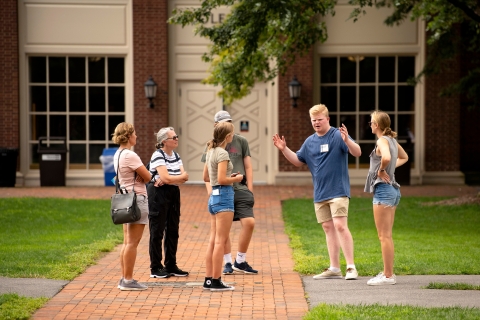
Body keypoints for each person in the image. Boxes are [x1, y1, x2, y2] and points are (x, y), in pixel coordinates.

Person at [272, 104, 361, 280]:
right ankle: (334, 268)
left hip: (338, 190)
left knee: (340, 226)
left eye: (320, 119)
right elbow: (298, 161)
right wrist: (284, 149)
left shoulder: (337, 135)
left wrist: (347, 140)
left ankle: (351, 267)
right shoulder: (310, 141)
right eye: (314, 120)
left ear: (327, 119)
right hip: (320, 193)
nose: (317, 123)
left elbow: (357, 152)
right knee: (328, 228)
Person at [201, 110, 257, 275]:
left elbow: (248, 167)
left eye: (229, 122)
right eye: (224, 123)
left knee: (247, 224)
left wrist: (249, 189)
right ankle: (222, 268)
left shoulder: (240, 141)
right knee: (220, 236)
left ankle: (237, 262)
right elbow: (211, 177)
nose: (229, 126)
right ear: (216, 126)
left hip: (239, 191)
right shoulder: (214, 148)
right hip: (224, 192)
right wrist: (214, 191)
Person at [364, 111, 408, 286]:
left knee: (384, 236)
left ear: (377, 125)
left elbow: (388, 157)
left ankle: (388, 276)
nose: (370, 125)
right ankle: (388, 273)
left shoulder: (382, 140)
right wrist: (389, 169)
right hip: (393, 191)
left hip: (384, 190)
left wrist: (382, 170)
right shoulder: (392, 140)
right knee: (387, 235)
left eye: (371, 122)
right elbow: (404, 157)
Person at [203, 121, 244, 291]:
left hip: (213, 198)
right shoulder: (222, 153)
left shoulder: (210, 151)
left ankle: (208, 280)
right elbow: (221, 180)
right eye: (232, 134)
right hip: (224, 197)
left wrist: (228, 175)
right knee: (220, 241)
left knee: (213, 241)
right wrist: (236, 178)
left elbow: (206, 177)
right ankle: (216, 280)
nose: (233, 136)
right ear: (228, 137)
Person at [112, 122, 152, 291]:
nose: (137, 136)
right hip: (137, 200)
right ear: (128, 136)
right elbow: (148, 176)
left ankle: (124, 278)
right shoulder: (130, 155)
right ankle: (128, 280)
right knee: (132, 243)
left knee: (127, 242)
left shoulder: (118, 154)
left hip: (124, 199)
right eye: (134, 133)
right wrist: (143, 176)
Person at [147, 127, 189, 279]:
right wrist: (172, 178)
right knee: (157, 230)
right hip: (158, 194)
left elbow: (184, 177)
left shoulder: (176, 156)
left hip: (173, 193)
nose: (177, 139)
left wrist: (170, 179)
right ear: (164, 141)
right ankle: (156, 267)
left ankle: (171, 264)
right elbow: (168, 178)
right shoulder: (158, 155)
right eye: (174, 137)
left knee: (173, 229)